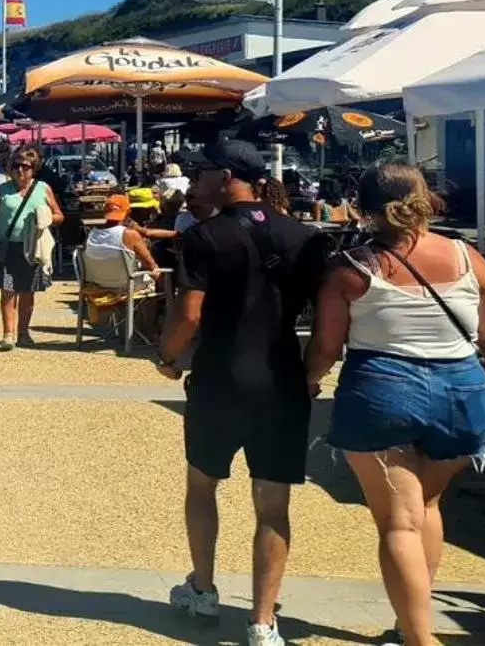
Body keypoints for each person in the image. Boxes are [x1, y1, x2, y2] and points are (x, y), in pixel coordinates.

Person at [305, 165, 485, 645]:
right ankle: (412, 624)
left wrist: (308, 380)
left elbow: (326, 347)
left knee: (399, 521)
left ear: (363, 208)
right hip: (462, 390)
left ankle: (418, 639)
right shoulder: (467, 256)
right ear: (426, 200)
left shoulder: (353, 268)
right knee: (427, 507)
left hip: (383, 389)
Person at [153, 139, 330, 646]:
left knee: (202, 486)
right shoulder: (304, 237)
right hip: (281, 380)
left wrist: (167, 357)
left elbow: (189, 314)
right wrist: (312, 374)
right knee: (272, 506)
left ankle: (203, 589)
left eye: (202, 171)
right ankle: (261, 621)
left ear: (227, 175)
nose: (194, 179)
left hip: (220, 378)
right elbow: (325, 323)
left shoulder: (205, 237)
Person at [0, 147, 64, 351]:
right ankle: (8, 334)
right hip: (7, 247)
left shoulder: (43, 188)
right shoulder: (3, 190)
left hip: (32, 249)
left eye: (26, 166)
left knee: (28, 292)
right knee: (8, 291)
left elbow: (59, 216)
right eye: (16, 165)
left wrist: (45, 217)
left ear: (34, 169)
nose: (20, 170)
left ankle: (23, 332)